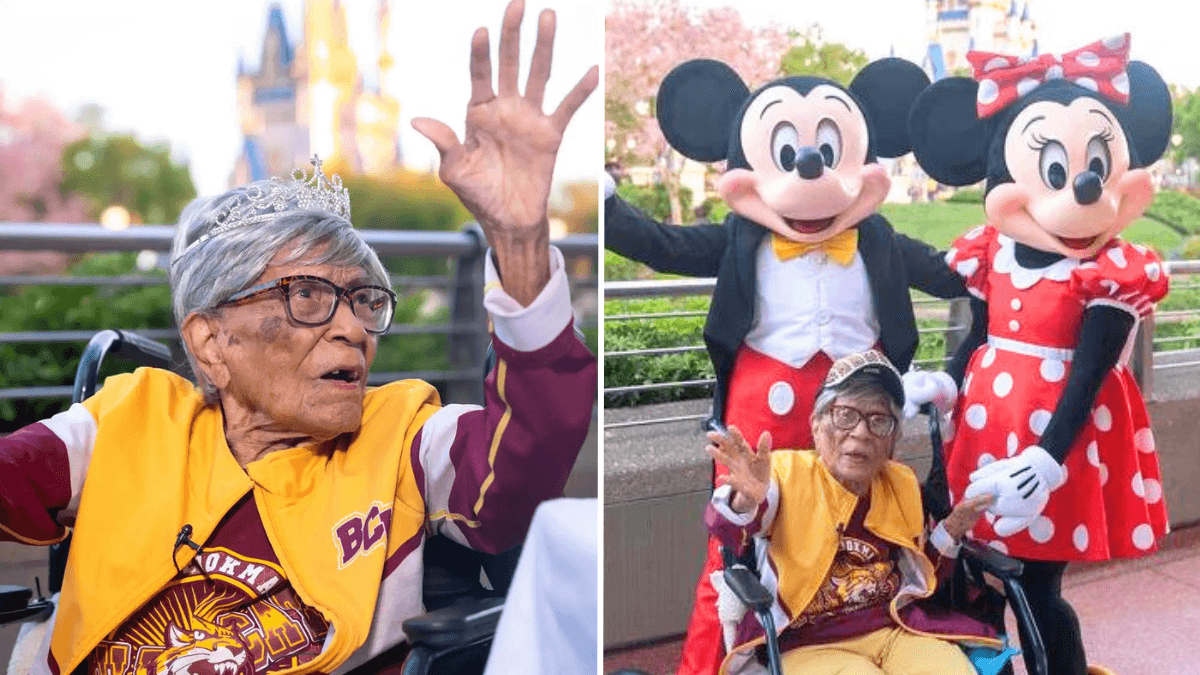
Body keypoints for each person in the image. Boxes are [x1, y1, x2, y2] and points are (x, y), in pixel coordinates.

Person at [0, 2, 598, 674]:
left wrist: (518, 241)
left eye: (365, 300)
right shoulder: (132, 419)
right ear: (211, 342)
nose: (353, 328)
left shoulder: (401, 436)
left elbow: (524, 462)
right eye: (307, 296)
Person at [706, 350, 999, 675]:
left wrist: (951, 531)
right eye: (845, 415)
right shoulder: (783, 475)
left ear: (892, 441)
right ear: (816, 424)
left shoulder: (901, 485)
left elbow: (926, 579)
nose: (861, 432)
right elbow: (730, 529)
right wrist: (744, 501)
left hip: (895, 629)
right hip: (809, 644)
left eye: (879, 421)